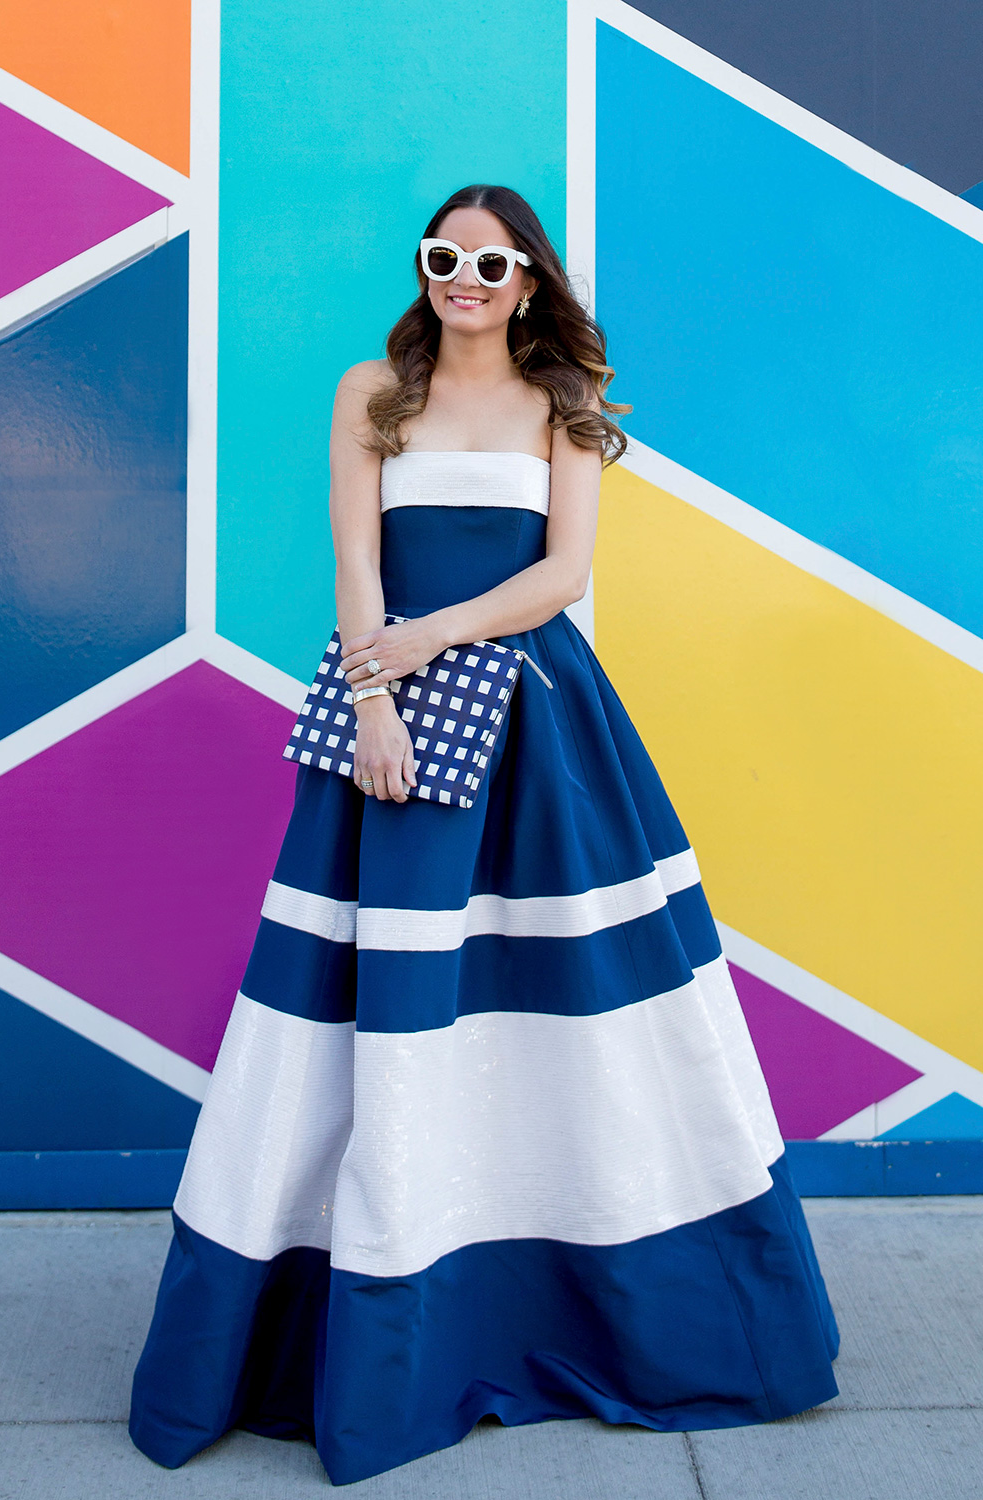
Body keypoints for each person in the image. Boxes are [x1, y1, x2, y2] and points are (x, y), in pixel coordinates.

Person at [128, 183, 839, 1487]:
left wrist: (436, 638)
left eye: (492, 262)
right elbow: (356, 560)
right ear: (426, 268)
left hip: (542, 734)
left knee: (571, 1010)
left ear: (527, 279)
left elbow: (564, 577)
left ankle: (575, 1303)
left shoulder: (561, 402)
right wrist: (376, 697)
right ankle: (378, 1321)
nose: (466, 278)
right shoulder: (371, 392)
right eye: (445, 257)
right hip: (388, 723)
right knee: (376, 1010)